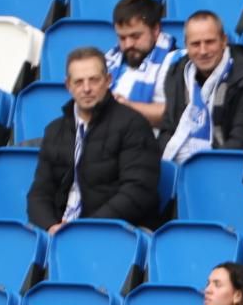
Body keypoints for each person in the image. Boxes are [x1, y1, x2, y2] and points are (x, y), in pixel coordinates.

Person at [26, 47, 160, 232]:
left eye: (94, 80)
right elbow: (39, 194)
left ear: (108, 80)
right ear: (68, 86)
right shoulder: (55, 131)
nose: (87, 88)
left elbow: (137, 192)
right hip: (60, 233)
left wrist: (85, 227)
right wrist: (51, 226)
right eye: (79, 82)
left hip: (113, 233)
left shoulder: (133, 125)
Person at [158, 11, 243, 165]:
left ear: (224, 41)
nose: (203, 51)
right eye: (195, 44)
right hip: (181, 166)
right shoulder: (177, 72)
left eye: (210, 42)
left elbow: (241, 139)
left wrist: (204, 171)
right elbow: (168, 129)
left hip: (225, 168)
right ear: (186, 45)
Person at [107, 0, 177, 130]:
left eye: (135, 36)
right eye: (122, 38)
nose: (128, 45)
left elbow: (176, 113)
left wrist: (127, 108)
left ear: (156, 30)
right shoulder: (109, 60)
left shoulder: (176, 62)